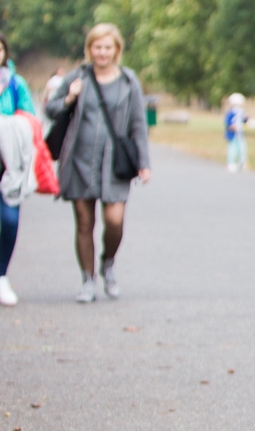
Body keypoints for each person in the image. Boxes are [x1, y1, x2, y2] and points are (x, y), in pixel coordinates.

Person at [47, 23, 152, 304]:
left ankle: (108, 263)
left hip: (114, 162)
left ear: (116, 50)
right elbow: (51, 108)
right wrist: (70, 96)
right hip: (79, 159)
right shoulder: (76, 77)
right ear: (89, 49)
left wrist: (144, 162)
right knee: (84, 222)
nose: (102, 52)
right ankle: (88, 280)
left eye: (107, 47)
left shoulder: (129, 81)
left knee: (114, 221)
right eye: (97, 47)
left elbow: (138, 124)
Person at [0, 32, 38, 306]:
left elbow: (31, 119)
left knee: (10, 220)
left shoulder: (15, 83)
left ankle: (1, 275)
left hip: (8, 164)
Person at [223, 93, 249, 172]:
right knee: (232, 149)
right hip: (232, 134)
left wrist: (246, 119)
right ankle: (230, 163)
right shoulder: (231, 112)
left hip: (240, 134)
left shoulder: (241, 112)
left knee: (242, 148)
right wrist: (232, 127)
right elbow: (227, 123)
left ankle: (242, 162)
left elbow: (244, 121)